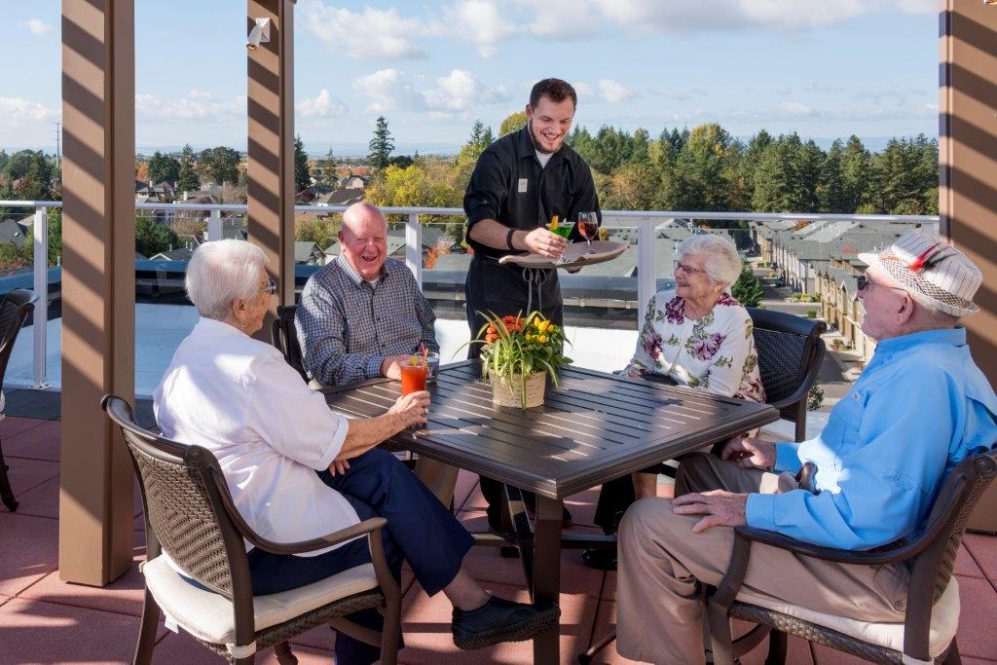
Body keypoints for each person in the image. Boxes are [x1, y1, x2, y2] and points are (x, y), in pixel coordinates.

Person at [154, 240, 559, 665]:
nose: (272, 295)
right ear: (240, 307)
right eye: (266, 287)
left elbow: (295, 433)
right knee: (385, 532)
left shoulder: (186, 358)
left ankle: (472, 605)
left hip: (201, 546)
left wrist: (329, 444)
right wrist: (399, 417)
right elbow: (330, 436)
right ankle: (450, 618)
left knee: (377, 469)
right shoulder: (255, 366)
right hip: (254, 555)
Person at [615, 229, 997, 665]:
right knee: (702, 469)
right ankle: (693, 608)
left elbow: (867, 520)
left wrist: (746, 509)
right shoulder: (923, 361)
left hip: (867, 572)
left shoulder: (919, 385)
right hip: (852, 528)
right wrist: (782, 455)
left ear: (903, 305)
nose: (860, 294)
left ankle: (672, 649)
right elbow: (859, 457)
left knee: (644, 521)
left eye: (866, 284)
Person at [463, 77, 599, 532]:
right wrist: (522, 237)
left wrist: (579, 254)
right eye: (546, 120)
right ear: (528, 112)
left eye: (563, 122)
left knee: (545, 393)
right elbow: (477, 227)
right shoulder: (498, 157)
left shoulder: (575, 167)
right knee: (497, 396)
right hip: (496, 288)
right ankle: (503, 508)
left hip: (546, 292)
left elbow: (586, 233)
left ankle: (540, 498)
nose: (554, 130)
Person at [583, 234, 765, 570]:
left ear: (718, 282)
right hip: (664, 397)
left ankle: (645, 533)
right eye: (680, 265)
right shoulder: (661, 303)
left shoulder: (734, 319)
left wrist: (655, 409)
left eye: (691, 270)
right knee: (621, 424)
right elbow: (641, 364)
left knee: (641, 431)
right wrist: (624, 396)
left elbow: (719, 393)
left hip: (728, 412)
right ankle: (631, 529)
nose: (680, 274)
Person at [297, 202, 438, 387]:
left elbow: (426, 325)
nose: (371, 248)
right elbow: (327, 365)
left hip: (413, 386)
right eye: (361, 239)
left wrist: (426, 362)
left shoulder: (402, 275)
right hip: (351, 396)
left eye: (378, 239)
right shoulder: (321, 290)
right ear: (342, 241)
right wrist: (384, 366)